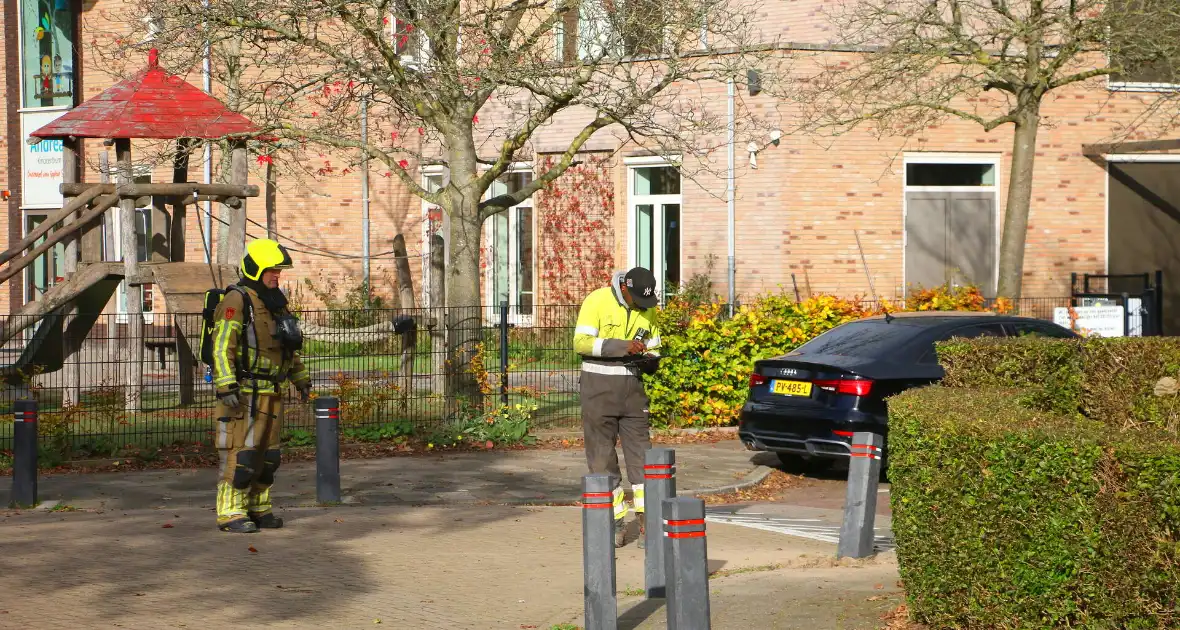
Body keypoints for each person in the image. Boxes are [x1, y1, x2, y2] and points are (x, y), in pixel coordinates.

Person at [210, 239, 312, 533]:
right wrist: (226, 384)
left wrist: (300, 379)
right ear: (255, 269)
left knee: (268, 457)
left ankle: (258, 508)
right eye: (271, 270)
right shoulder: (236, 300)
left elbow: (286, 349)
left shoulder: (275, 302)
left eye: (278, 271)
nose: (276, 275)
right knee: (241, 455)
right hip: (244, 394)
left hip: (272, 392)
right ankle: (230, 513)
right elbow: (221, 345)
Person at [573, 267, 663, 547]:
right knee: (602, 460)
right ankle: (615, 523)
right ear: (625, 289)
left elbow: (655, 346)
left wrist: (651, 359)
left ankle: (649, 524)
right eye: (638, 299)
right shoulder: (596, 300)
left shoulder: (648, 309)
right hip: (598, 390)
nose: (642, 306)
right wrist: (623, 347)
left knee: (643, 461)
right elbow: (581, 343)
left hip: (633, 393)